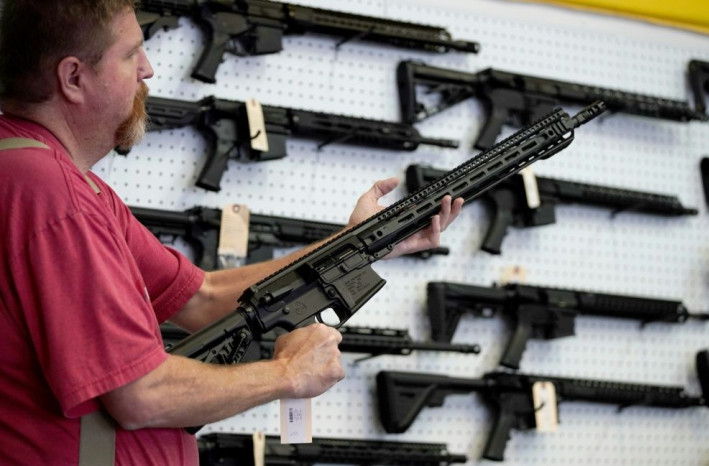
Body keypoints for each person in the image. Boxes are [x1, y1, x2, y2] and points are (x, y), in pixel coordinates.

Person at [0, 1, 463, 464]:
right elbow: (142, 394)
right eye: (130, 55)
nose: (149, 70)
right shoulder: (52, 194)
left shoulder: (66, 185)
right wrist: (287, 374)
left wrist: (360, 244)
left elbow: (201, 297)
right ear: (73, 78)